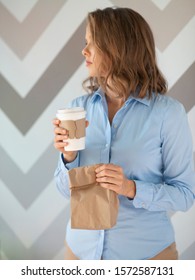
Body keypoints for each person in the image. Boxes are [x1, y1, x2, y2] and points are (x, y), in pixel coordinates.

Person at [53, 7, 195, 260]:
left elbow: (184, 195)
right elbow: (66, 192)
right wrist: (69, 158)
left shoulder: (168, 114)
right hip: (80, 254)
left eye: (92, 43)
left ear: (119, 47)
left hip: (147, 257)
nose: (84, 51)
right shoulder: (78, 108)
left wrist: (130, 188)